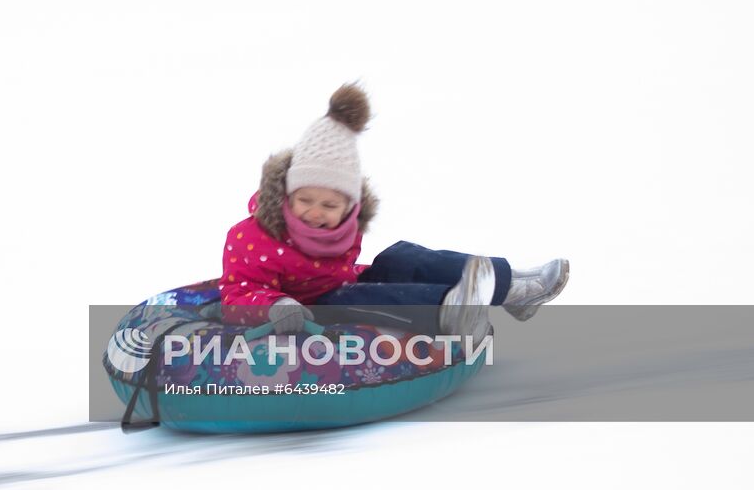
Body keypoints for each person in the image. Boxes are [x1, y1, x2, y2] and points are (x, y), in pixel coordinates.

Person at [219, 83, 568, 342]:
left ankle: (512, 287)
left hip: (342, 281)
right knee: (358, 298)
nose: (314, 213)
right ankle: (448, 312)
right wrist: (276, 305)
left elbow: (343, 269)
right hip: (309, 307)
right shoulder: (251, 238)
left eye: (329, 205)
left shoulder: (345, 228)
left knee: (400, 257)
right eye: (305, 200)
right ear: (287, 195)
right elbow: (237, 292)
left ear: (349, 206)